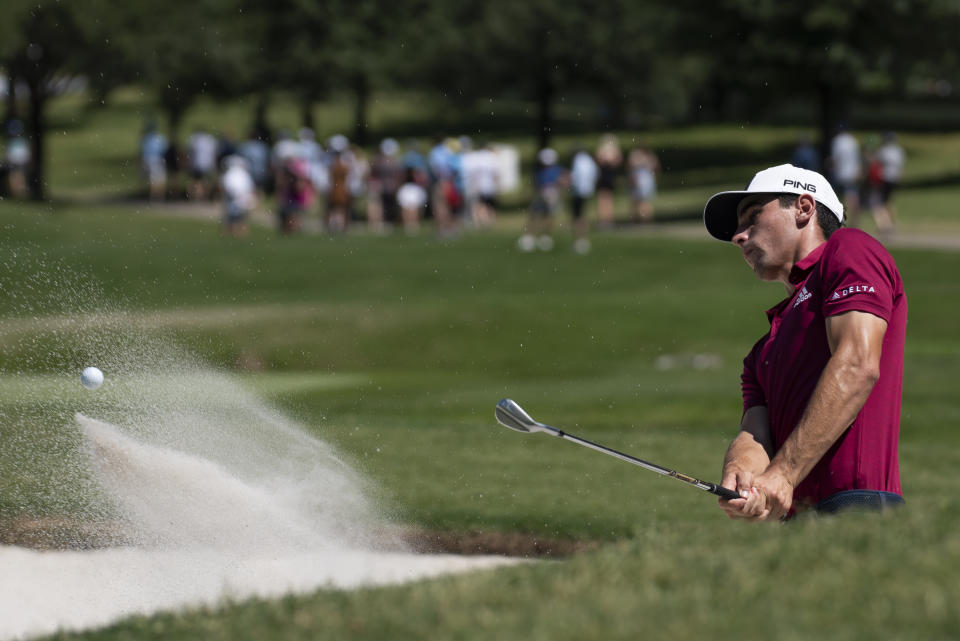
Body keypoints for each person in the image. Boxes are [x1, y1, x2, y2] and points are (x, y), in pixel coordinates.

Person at [703, 164, 907, 521]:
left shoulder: (849, 248)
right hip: (798, 523)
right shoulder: (761, 352)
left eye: (752, 217)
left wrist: (782, 474)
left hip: (857, 506)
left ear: (803, 207)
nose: (738, 236)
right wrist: (743, 473)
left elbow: (858, 364)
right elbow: (755, 434)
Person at [569, 147, 598, 254]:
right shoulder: (589, 160)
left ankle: (578, 240)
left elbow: (576, 176)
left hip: (579, 191)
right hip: (587, 190)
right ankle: (584, 240)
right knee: (583, 215)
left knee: (577, 216)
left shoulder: (578, 161)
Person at [627, 145, 659, 223]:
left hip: (643, 181)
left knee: (641, 202)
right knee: (639, 201)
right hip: (642, 180)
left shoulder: (638, 156)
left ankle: (644, 219)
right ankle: (641, 218)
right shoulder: (648, 156)